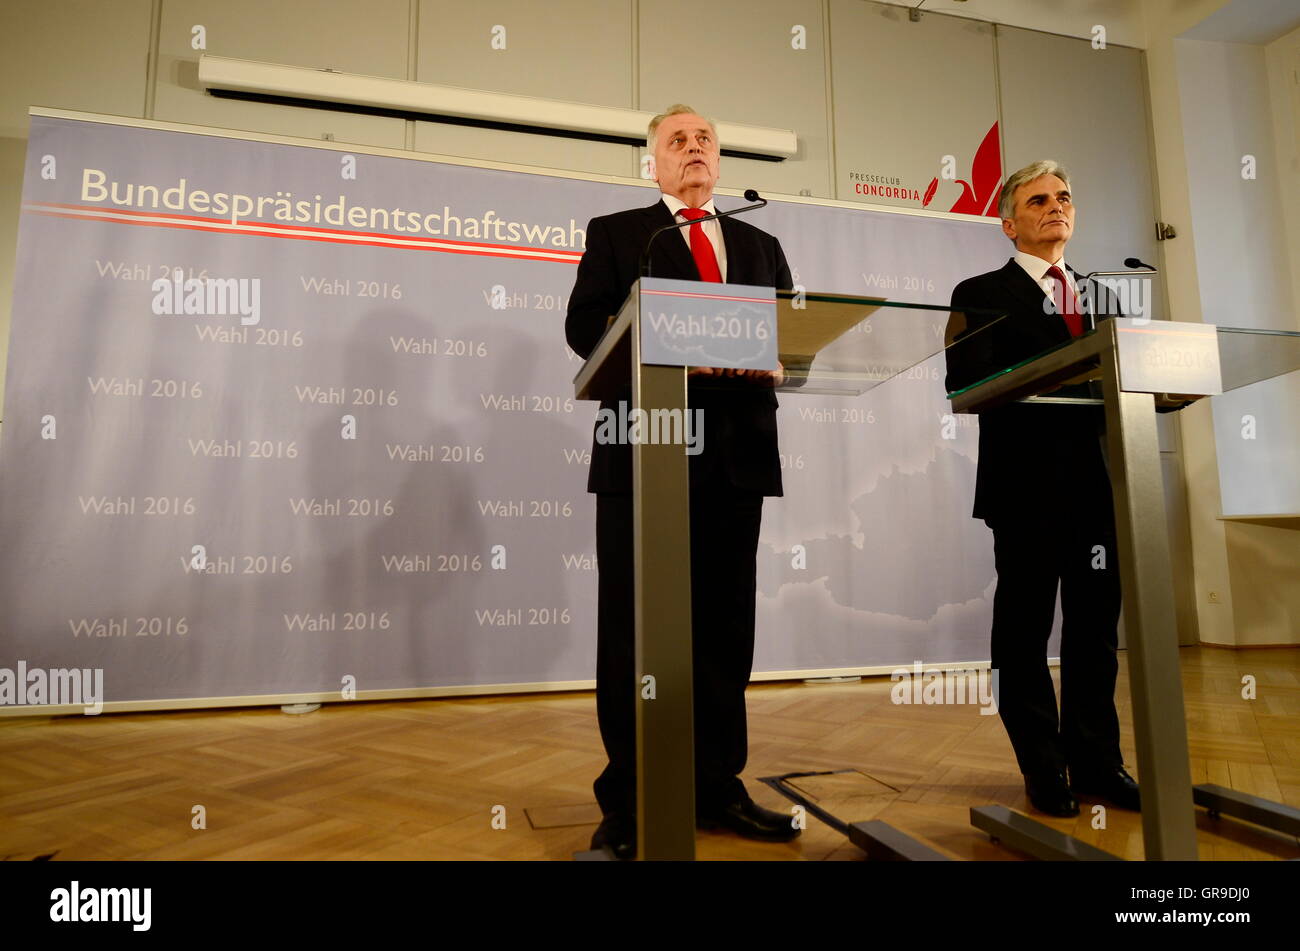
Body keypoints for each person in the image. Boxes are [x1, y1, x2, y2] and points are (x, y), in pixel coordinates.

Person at [565, 104, 796, 858]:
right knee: (635, 631)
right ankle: (629, 801)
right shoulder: (622, 233)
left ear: (719, 161)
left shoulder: (762, 243)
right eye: (677, 140)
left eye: (705, 140)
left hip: (735, 459)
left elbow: (791, 336)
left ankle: (717, 787)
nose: (693, 149)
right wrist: (670, 346)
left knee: (725, 633)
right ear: (653, 164)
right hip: (645, 451)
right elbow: (585, 327)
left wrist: (784, 358)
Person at [944, 160, 1196, 818]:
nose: (1055, 207)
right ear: (1008, 223)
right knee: (1023, 632)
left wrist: (1176, 385)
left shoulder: (1106, 296)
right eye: (1038, 200)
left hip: (1102, 487)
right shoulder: (979, 290)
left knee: (1092, 631)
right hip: (1025, 489)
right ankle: (1042, 762)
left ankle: (1097, 760)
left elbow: (1132, 379)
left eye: (1063, 198)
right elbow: (964, 385)